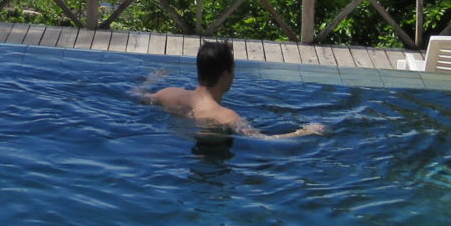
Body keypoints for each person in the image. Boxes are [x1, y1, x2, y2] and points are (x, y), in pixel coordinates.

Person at [135, 41, 326, 139]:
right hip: (212, 156)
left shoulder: (168, 93)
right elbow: (264, 139)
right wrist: (305, 132)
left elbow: (136, 96)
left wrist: (150, 81)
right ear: (226, 73)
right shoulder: (227, 117)